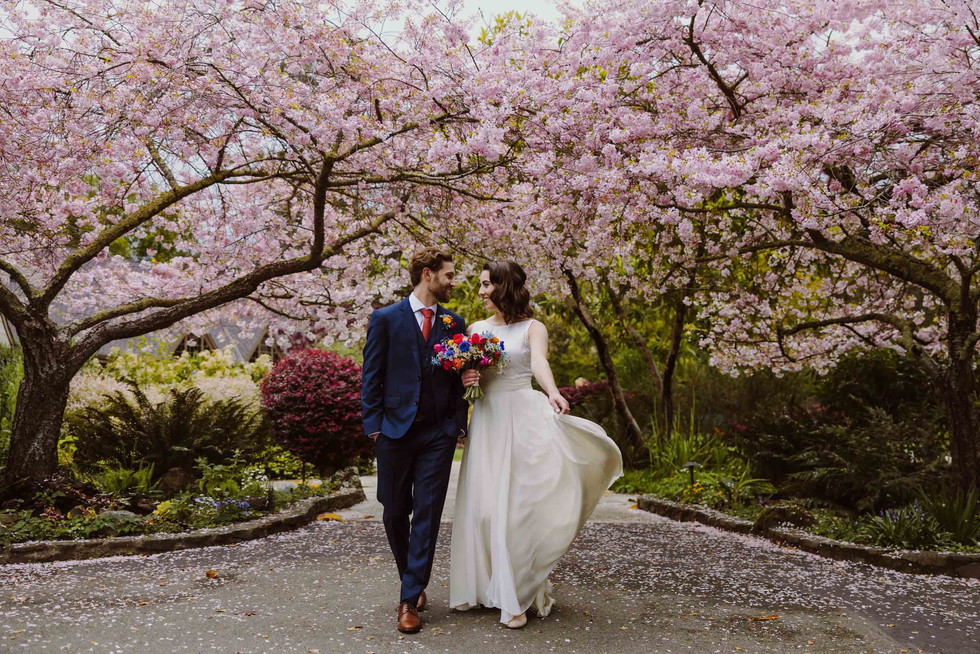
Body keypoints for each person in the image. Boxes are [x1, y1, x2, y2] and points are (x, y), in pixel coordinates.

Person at [449, 260, 623, 628]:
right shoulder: (475, 329)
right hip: (486, 419)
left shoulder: (533, 327)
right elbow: (465, 374)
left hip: (523, 415)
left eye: (486, 285)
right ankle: (488, 587)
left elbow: (539, 363)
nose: (480, 292)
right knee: (485, 507)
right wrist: (467, 375)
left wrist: (553, 392)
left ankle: (516, 596)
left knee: (519, 506)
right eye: (480, 285)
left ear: (504, 286)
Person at [361, 247, 480, 634]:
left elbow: (460, 375)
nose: (452, 282)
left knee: (427, 515)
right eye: (448, 275)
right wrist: (374, 427)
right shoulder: (385, 319)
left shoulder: (454, 322)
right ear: (427, 275)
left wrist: (456, 422)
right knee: (395, 511)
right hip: (393, 432)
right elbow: (371, 375)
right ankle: (410, 576)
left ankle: (409, 598)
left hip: (438, 435)